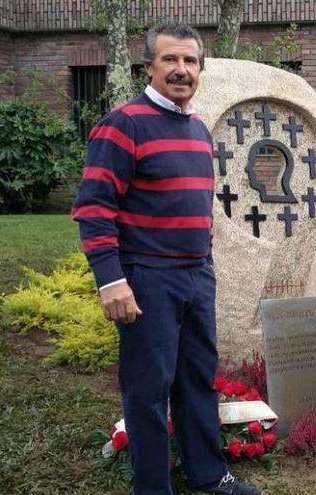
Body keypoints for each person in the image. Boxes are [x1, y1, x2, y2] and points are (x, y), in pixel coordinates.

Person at [72, 21, 259, 495]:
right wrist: (111, 281)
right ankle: (153, 487)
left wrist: (206, 266)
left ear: (200, 69)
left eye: (190, 61)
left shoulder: (196, 127)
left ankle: (209, 474)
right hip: (147, 277)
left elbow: (195, 206)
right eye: (170, 60)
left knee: (197, 379)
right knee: (148, 389)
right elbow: (94, 210)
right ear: (149, 67)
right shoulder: (123, 125)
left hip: (197, 277)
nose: (181, 70)